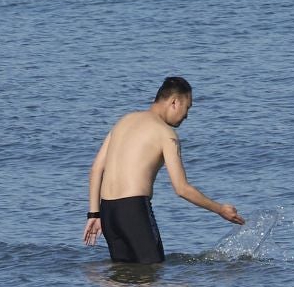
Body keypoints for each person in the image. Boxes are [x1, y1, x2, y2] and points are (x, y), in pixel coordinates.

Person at [82, 76, 244, 264]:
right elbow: (181, 189)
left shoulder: (124, 121)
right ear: (175, 102)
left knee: (122, 276)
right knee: (153, 271)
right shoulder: (165, 134)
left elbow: (96, 169)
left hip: (108, 211)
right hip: (133, 210)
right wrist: (220, 209)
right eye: (187, 108)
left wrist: (94, 214)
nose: (186, 115)